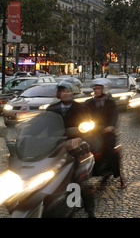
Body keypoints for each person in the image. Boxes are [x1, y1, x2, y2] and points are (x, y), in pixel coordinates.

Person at [47, 80, 96, 218]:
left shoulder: (82, 108)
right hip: (53, 149)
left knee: (77, 179)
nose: (64, 93)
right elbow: (43, 127)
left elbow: (89, 126)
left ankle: (89, 210)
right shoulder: (51, 109)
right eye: (61, 91)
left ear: (73, 92)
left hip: (75, 149)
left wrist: (79, 138)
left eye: (67, 91)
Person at [85, 78, 126, 189]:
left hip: (107, 132)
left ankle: (119, 176)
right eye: (95, 88)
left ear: (104, 89)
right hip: (92, 131)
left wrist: (111, 126)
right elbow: (83, 112)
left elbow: (114, 115)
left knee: (109, 151)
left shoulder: (110, 102)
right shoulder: (89, 102)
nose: (96, 90)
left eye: (98, 88)